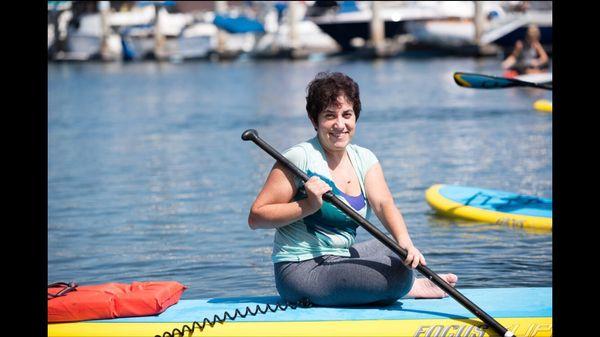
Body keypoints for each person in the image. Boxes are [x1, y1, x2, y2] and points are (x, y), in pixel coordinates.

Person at [248, 72, 457, 307]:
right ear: (314, 120)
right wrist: (308, 205)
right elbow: (256, 217)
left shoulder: (364, 158)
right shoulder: (300, 158)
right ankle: (407, 286)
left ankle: (409, 284)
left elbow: (383, 204)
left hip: (339, 257)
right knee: (397, 274)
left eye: (347, 115)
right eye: (329, 116)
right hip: (301, 269)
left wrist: (406, 242)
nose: (340, 124)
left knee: (396, 248)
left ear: (355, 116)